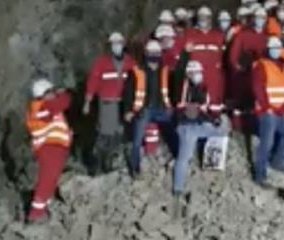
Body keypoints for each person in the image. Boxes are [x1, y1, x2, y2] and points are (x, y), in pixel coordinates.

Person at [171, 61, 228, 213]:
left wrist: (214, 118)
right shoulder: (182, 87)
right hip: (186, 126)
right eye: (194, 72)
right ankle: (178, 189)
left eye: (199, 72)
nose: (198, 75)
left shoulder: (203, 87)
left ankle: (211, 164)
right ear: (188, 74)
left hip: (200, 125)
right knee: (184, 158)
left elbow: (207, 108)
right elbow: (187, 110)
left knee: (222, 130)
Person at [83, 32, 136, 174]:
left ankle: (109, 163)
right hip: (107, 103)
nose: (116, 46)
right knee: (105, 133)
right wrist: (87, 101)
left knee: (118, 133)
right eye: (113, 44)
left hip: (122, 103)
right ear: (109, 46)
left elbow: (137, 81)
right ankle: (96, 165)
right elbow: (92, 82)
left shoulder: (130, 62)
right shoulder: (101, 62)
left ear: (123, 44)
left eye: (119, 43)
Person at [122, 40, 175, 178]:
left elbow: (172, 88)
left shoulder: (164, 71)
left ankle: (177, 157)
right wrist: (128, 110)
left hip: (161, 109)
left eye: (156, 53)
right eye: (151, 53)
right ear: (146, 54)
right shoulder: (137, 71)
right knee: (137, 140)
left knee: (173, 133)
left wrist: (171, 107)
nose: (154, 55)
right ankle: (135, 168)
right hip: (143, 110)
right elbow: (128, 92)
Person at [25, 79, 72, 224]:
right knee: (47, 179)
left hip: (55, 147)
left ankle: (44, 206)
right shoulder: (42, 107)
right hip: (49, 148)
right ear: (44, 94)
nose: (54, 94)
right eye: (51, 92)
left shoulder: (46, 107)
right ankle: (36, 213)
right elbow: (63, 102)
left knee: (51, 178)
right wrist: (63, 93)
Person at [251, 37, 284, 187]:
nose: (276, 51)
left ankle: (277, 162)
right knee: (266, 143)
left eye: (278, 48)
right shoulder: (261, 65)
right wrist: (266, 107)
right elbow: (258, 88)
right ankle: (260, 175)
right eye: (273, 48)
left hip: (280, 110)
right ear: (268, 50)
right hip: (267, 111)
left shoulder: (283, 66)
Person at [227, 7, 269, 130]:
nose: (259, 20)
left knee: (254, 104)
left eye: (262, 18)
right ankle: (237, 129)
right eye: (257, 18)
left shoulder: (266, 37)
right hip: (242, 75)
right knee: (239, 105)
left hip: (259, 76)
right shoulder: (243, 35)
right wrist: (238, 68)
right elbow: (233, 56)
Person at [185, 6, 226, 105]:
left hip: (214, 77)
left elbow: (223, 57)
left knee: (214, 103)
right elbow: (184, 57)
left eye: (205, 17)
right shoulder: (190, 34)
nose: (203, 19)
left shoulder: (219, 36)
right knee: (196, 104)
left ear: (210, 19)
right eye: (201, 17)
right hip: (196, 77)